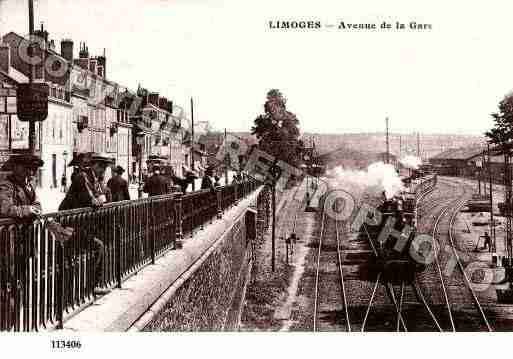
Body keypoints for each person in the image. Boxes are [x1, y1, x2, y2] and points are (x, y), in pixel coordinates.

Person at [59, 152, 114, 295]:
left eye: (105, 168)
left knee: (82, 254)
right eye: (101, 167)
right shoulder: (82, 177)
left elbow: (102, 196)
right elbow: (94, 200)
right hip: (70, 223)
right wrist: (99, 199)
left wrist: (100, 199)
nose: (103, 170)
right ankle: (81, 289)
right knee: (93, 249)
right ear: (94, 165)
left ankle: (79, 290)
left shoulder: (94, 179)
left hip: (80, 223)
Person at [0, 154, 44, 220]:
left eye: (33, 169)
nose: (30, 173)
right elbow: (6, 209)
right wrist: (29, 210)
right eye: (26, 168)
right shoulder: (6, 185)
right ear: (15, 168)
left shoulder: (28, 185)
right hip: (9, 229)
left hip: (24, 228)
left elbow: (37, 204)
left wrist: (35, 209)